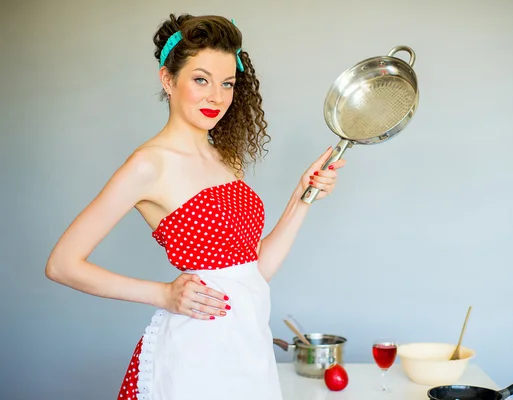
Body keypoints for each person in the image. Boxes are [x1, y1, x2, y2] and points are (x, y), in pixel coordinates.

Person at [45, 13, 345, 400]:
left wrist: (301, 198)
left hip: (247, 349)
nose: (216, 97)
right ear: (169, 80)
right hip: (194, 356)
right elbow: (62, 264)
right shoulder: (147, 165)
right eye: (201, 79)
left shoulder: (226, 158)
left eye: (227, 84)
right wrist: (162, 294)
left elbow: (251, 271)